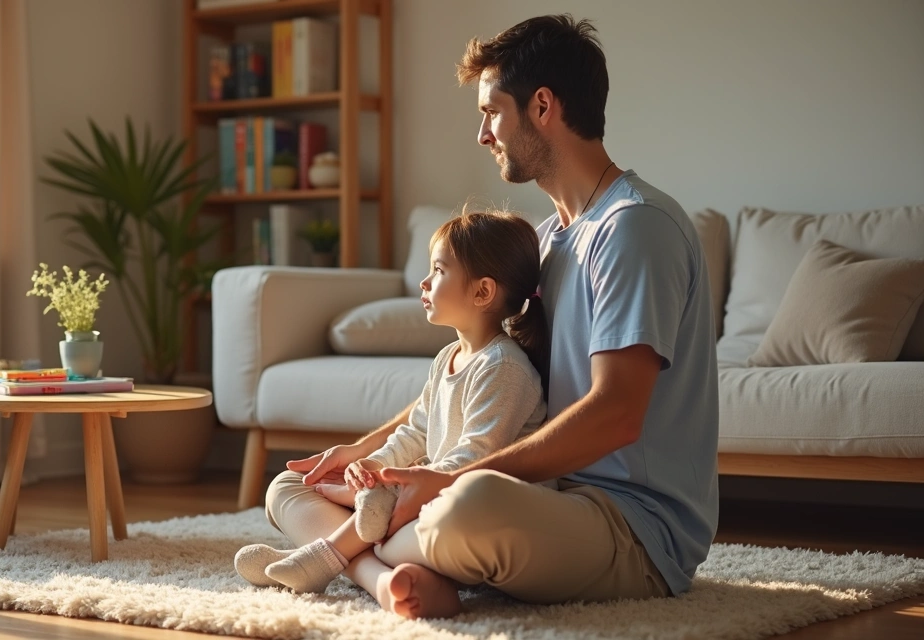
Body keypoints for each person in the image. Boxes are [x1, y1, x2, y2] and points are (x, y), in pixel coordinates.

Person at [262, 14, 719, 619]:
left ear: (543, 106)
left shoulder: (634, 229)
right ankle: (383, 574)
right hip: (542, 496)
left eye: (492, 111)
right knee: (288, 487)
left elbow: (616, 417)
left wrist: (445, 482)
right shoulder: (545, 239)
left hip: (628, 525)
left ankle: (356, 558)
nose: (483, 133)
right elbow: (476, 369)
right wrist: (365, 451)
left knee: (467, 505)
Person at [234, 211, 550, 594]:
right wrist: (373, 466)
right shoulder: (448, 356)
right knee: (288, 486)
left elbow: (475, 457)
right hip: (416, 499)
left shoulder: (504, 368)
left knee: (382, 506)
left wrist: (389, 489)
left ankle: (325, 557)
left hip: (462, 510)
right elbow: (416, 431)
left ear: (482, 292)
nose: (424, 281)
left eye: (438, 271)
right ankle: (371, 571)